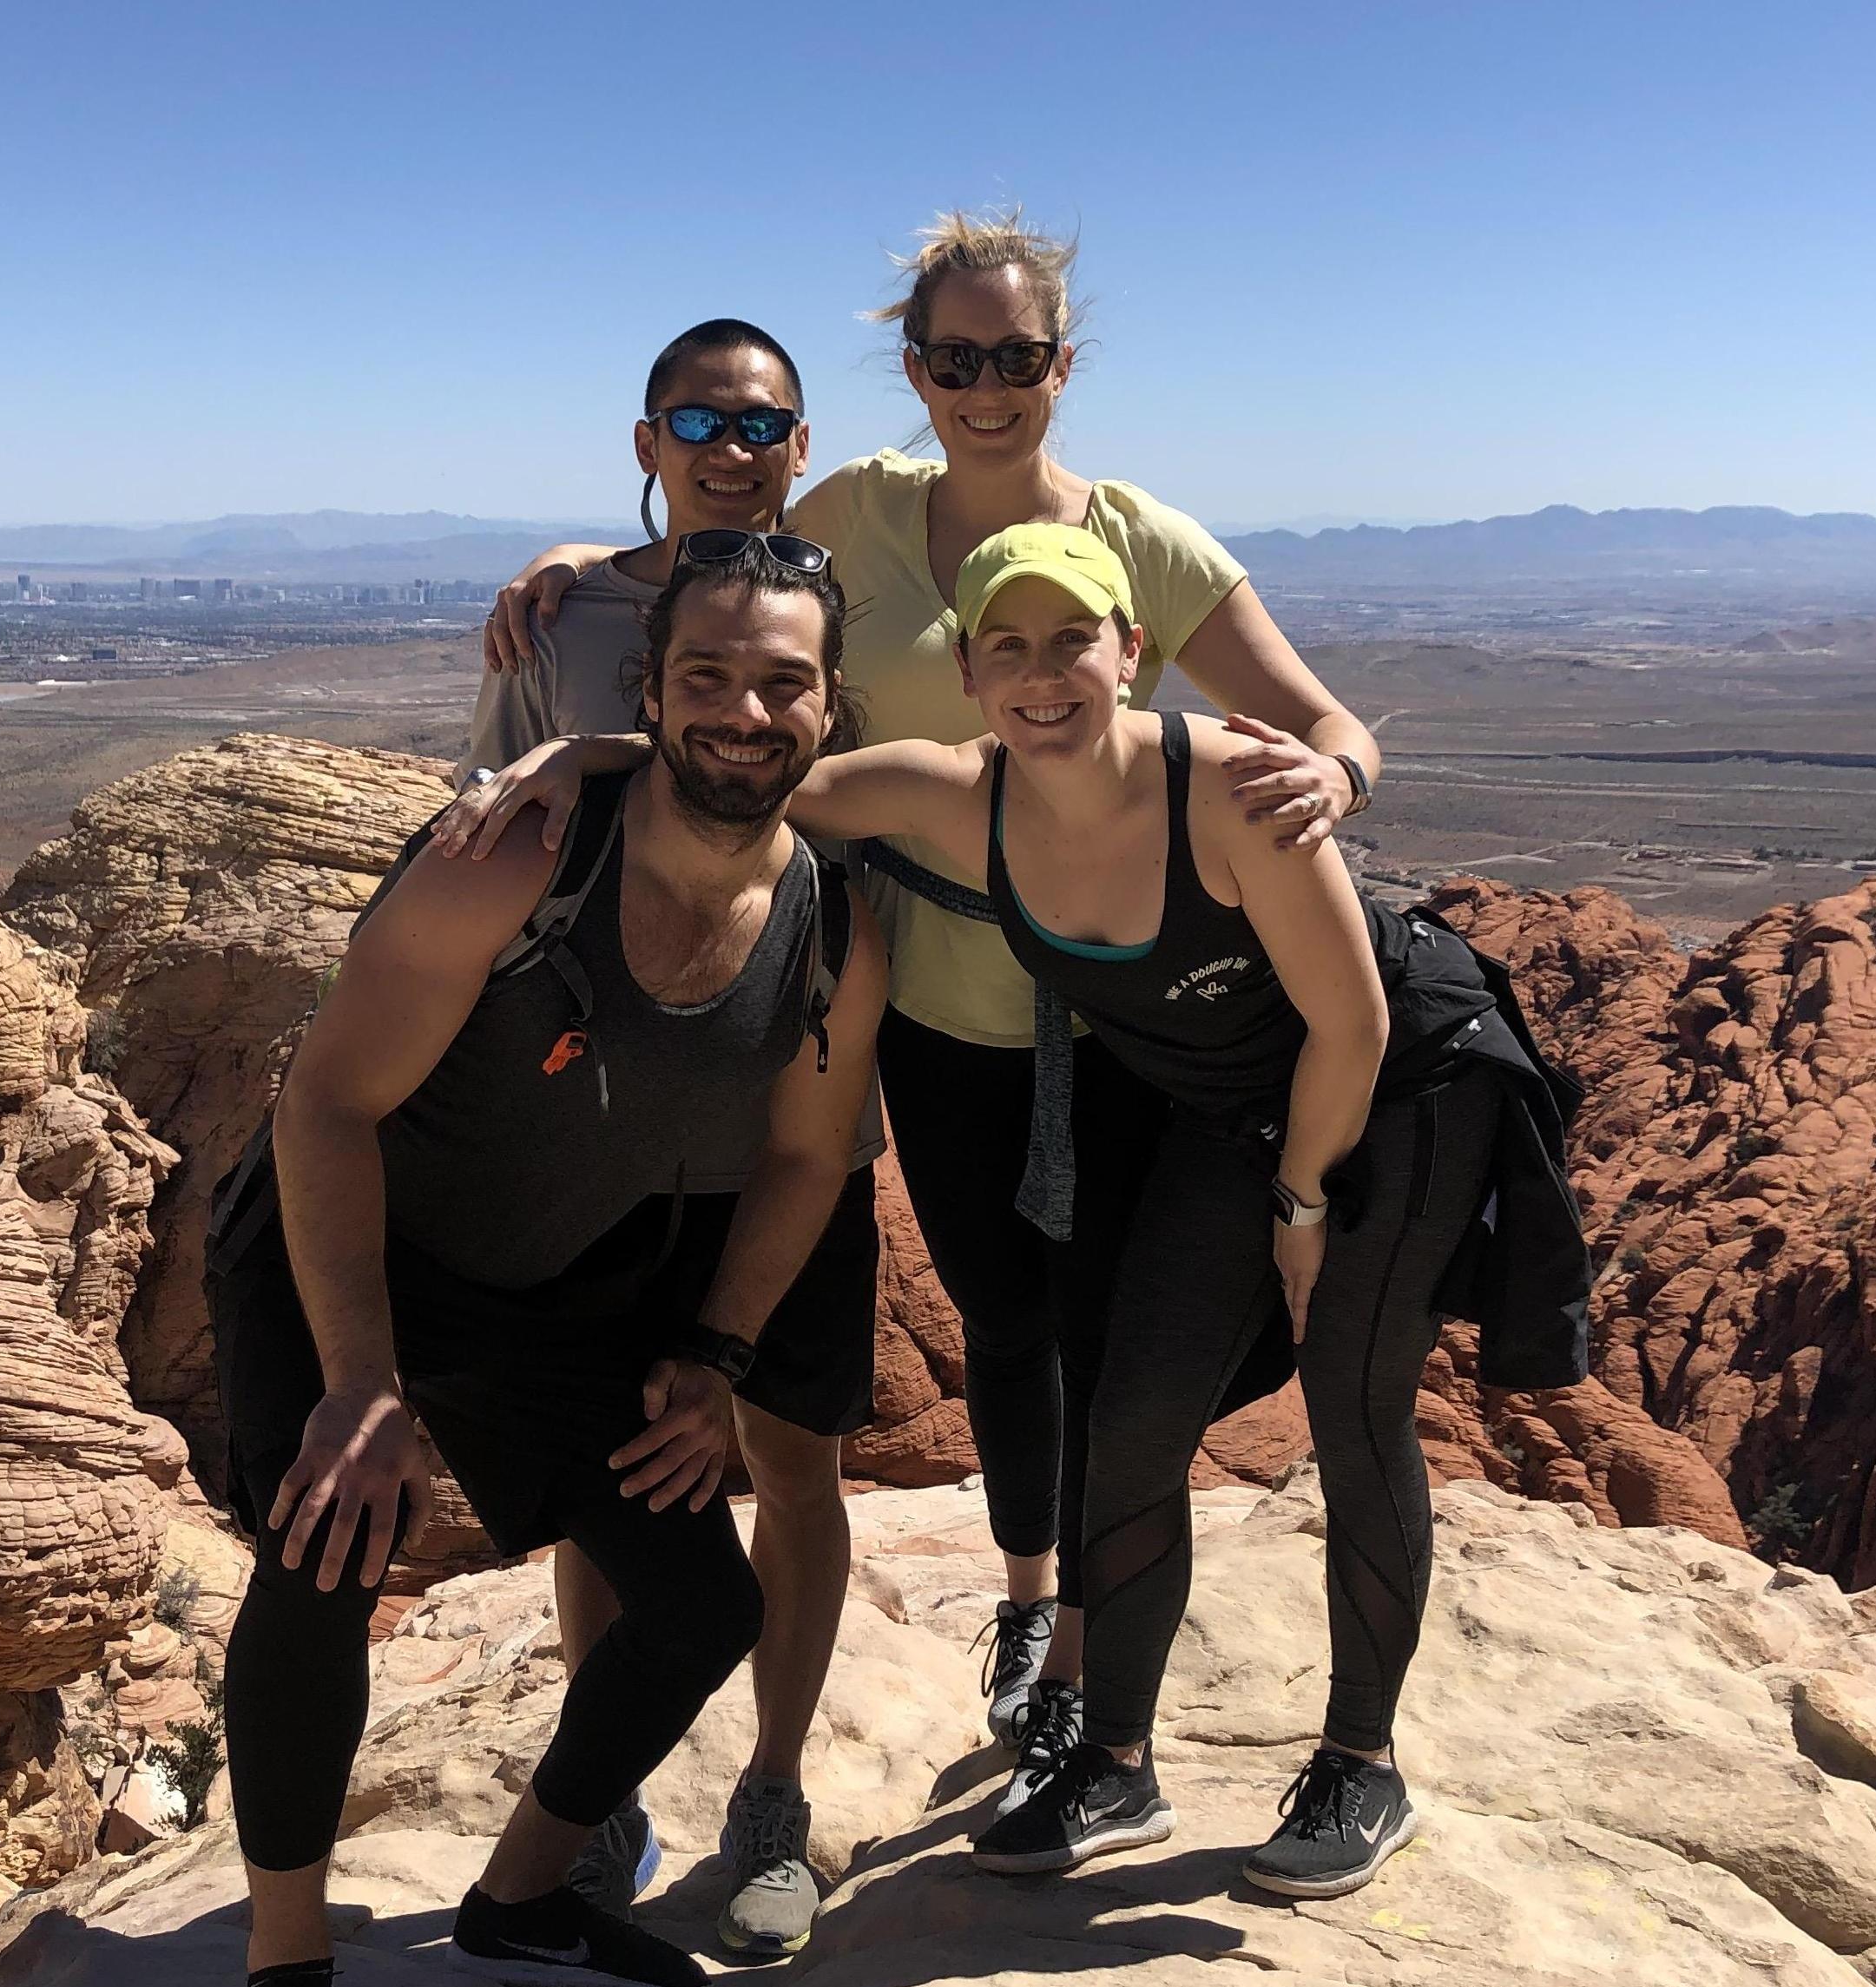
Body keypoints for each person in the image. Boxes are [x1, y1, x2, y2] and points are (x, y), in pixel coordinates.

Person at [516, 523, 1590, 1897]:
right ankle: (1117, 1760)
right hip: (1235, 1110)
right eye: (1005, 646)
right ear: (965, 670)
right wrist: (576, 757)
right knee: (1134, 1414)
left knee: (1352, 1398)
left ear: (1129, 653)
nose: (1041, 673)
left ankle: (1360, 1763)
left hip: (1397, 1087)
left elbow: (1352, 1019)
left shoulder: (1228, 786)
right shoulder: (955, 793)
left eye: (1071, 638)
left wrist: (1302, 1207)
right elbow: (749, 782)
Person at [444, 211, 1386, 1773]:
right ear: (914, 368)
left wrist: (1331, 784)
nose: (984, 384)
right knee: (1004, 1326)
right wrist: (572, 569)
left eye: (1014, 356)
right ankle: (1026, 1607)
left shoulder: (1143, 537)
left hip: (1124, 1012)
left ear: (1060, 364)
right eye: (953, 357)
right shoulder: (858, 509)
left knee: (1104, 1337)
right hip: (933, 999)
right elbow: (708, 565)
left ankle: (1085, 1642)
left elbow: (1323, 719)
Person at [208, 535, 887, 1987]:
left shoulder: (832, 922)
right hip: (347, 1236)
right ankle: (284, 1953)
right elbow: (324, 1103)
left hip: (538, 1282)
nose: (744, 713)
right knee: (324, 1538)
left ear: (832, 709)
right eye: (706, 675)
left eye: (784, 683)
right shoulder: (520, 852)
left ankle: (518, 1896)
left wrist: (716, 1357)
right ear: (648, 688)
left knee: (701, 1601)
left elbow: (805, 1156)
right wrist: (361, 1380)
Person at [457, 317, 884, 1961]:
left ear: (798, 442)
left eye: (759, 420)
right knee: (606, 1472)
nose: (730, 441)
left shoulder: (832, 601)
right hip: (610, 1130)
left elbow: (820, 781)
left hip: (790, 1104)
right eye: (694, 417)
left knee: (793, 1456)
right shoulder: (562, 611)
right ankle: (600, 1792)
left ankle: (770, 1799)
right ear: (645, 437)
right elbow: (489, 819)